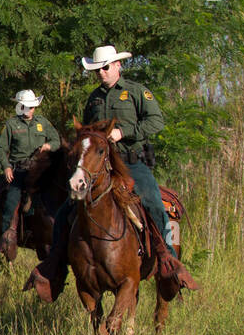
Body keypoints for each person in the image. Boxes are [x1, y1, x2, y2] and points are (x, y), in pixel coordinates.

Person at [26, 45, 195, 301]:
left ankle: (167, 260)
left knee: (153, 202)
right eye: (97, 70)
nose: (101, 73)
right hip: (100, 167)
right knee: (65, 212)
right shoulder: (93, 99)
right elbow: (85, 134)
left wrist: (123, 133)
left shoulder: (136, 92)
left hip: (130, 162)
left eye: (105, 68)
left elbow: (156, 121)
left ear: (117, 66)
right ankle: (55, 267)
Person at [0, 90, 61, 260]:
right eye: (28, 107)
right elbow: (0, 148)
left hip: (41, 169)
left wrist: (48, 147)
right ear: (20, 106)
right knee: (12, 200)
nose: (30, 110)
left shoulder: (43, 122)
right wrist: (6, 167)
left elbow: (57, 141)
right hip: (21, 169)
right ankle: (7, 238)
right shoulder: (11, 125)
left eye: (33, 107)